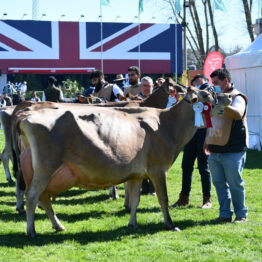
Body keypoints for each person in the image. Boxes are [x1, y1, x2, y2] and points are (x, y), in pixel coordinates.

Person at [204, 69, 248, 223]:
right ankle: (224, 214)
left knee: (235, 184)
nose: (214, 86)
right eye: (212, 83)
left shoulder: (238, 97)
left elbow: (238, 113)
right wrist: (206, 142)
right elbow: (211, 123)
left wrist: (221, 104)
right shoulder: (214, 98)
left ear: (226, 81)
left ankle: (241, 215)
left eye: (216, 83)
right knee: (219, 184)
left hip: (233, 149)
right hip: (215, 148)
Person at [173, 74, 212, 208]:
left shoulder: (208, 91)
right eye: (194, 82)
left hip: (203, 132)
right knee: (186, 166)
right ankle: (184, 197)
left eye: (197, 81)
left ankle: (207, 199)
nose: (195, 84)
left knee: (203, 167)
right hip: (190, 132)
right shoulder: (190, 95)